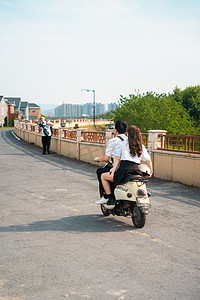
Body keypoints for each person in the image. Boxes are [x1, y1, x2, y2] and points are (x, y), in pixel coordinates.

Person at [101, 125, 153, 205]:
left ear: (128, 134)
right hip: (136, 170)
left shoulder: (122, 144)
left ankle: (111, 197)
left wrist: (113, 172)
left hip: (124, 170)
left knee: (103, 176)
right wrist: (151, 171)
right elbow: (148, 160)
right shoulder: (141, 146)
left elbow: (117, 159)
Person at [94, 120, 128, 204]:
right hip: (129, 167)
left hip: (118, 168)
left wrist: (97, 158)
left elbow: (106, 158)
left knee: (100, 172)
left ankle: (107, 196)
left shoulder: (113, 141)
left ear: (115, 130)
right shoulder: (129, 140)